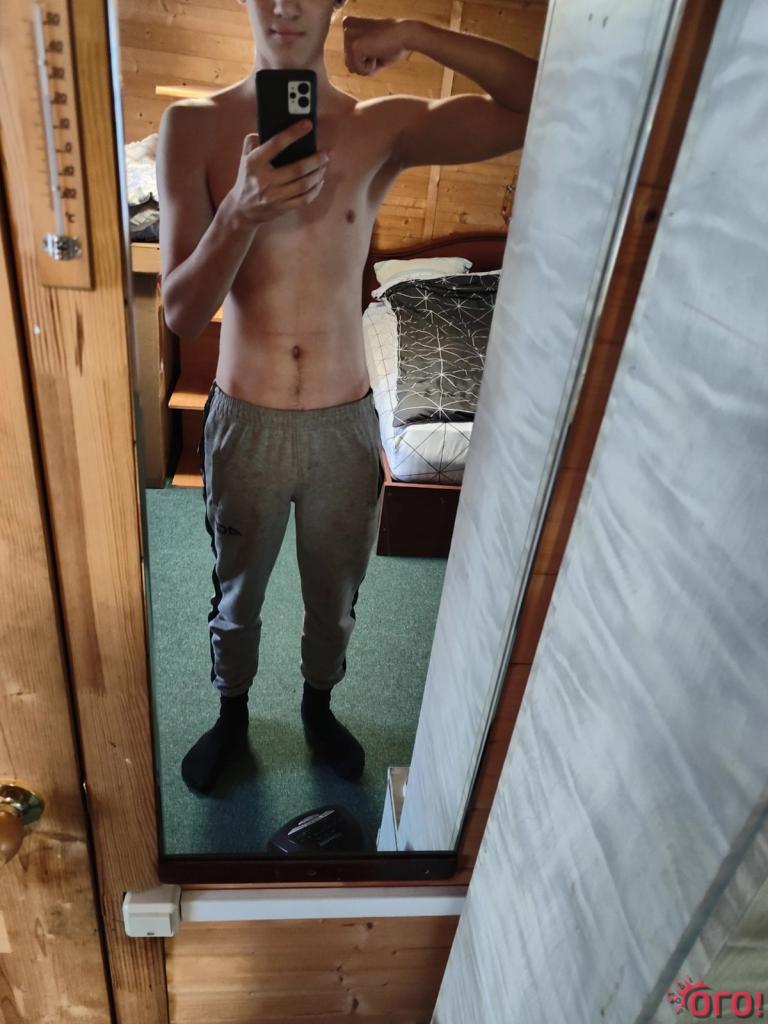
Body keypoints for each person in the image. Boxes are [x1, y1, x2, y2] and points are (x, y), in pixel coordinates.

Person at [157, 0, 538, 795]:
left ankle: (318, 704)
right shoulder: (191, 128)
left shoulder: (380, 127)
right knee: (236, 591)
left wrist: (415, 34)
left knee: (334, 597)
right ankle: (232, 711)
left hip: (345, 424)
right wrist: (239, 212)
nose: (286, 6)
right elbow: (183, 313)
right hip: (247, 419)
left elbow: (535, 102)